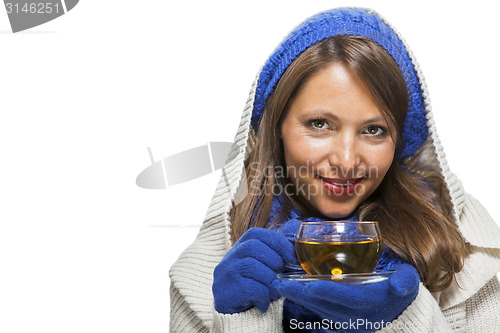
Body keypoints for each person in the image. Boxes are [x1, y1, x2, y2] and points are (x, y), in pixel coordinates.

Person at [169, 7, 500, 332]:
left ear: (397, 139)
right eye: (319, 124)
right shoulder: (204, 273)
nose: (345, 161)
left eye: (374, 130)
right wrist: (241, 319)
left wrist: (406, 318)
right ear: (277, 127)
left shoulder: (462, 251)